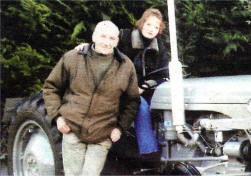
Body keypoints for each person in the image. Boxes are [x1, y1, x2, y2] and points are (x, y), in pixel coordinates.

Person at [43, 20, 140, 176]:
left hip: (102, 134)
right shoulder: (73, 57)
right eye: (103, 37)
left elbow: (133, 101)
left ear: (117, 41)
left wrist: (120, 128)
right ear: (94, 37)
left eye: (112, 38)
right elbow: (50, 88)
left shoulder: (125, 66)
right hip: (72, 130)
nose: (107, 42)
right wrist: (58, 118)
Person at [75, 8, 168, 159]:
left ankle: (167, 146)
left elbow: (163, 74)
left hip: (144, 89)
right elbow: (104, 46)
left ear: (159, 30)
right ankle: (149, 154)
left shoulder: (159, 47)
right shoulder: (125, 37)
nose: (151, 29)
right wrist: (86, 46)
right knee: (141, 106)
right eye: (149, 24)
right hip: (119, 86)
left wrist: (144, 87)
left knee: (162, 107)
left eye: (156, 27)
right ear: (142, 23)